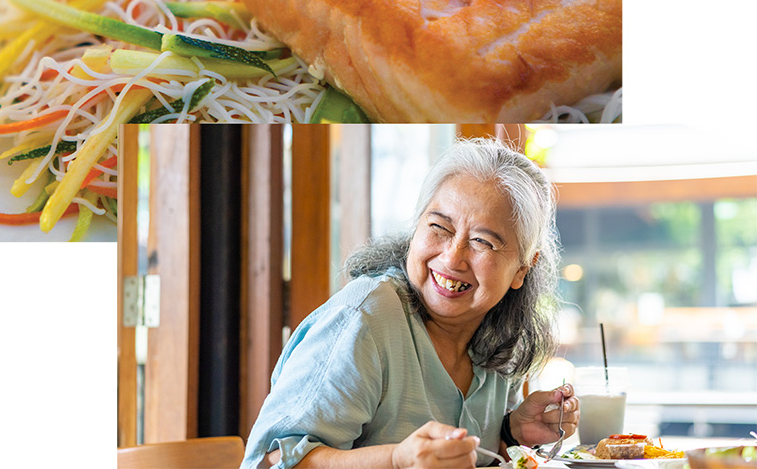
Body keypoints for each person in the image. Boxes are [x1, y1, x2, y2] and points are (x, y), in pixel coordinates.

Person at [242, 137, 579, 469]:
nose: (452, 257)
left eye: (482, 242)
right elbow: (269, 463)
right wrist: (395, 460)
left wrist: (510, 430)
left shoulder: (496, 332)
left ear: (521, 270)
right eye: (439, 227)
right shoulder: (363, 320)